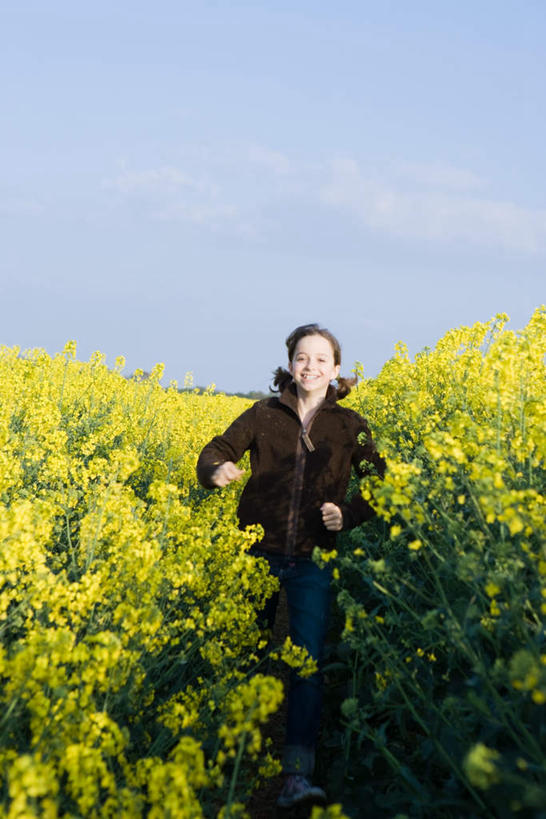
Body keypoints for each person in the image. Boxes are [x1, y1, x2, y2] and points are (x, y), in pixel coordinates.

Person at [196, 323, 385, 809]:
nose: (311, 367)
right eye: (303, 357)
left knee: (307, 664)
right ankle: (229, 755)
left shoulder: (349, 426)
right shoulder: (262, 415)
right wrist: (216, 470)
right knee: (242, 653)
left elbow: (379, 484)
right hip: (255, 553)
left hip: (313, 557)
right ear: (290, 362)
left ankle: (297, 775)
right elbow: (217, 448)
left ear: (336, 370)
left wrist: (349, 514)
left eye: (322, 360)